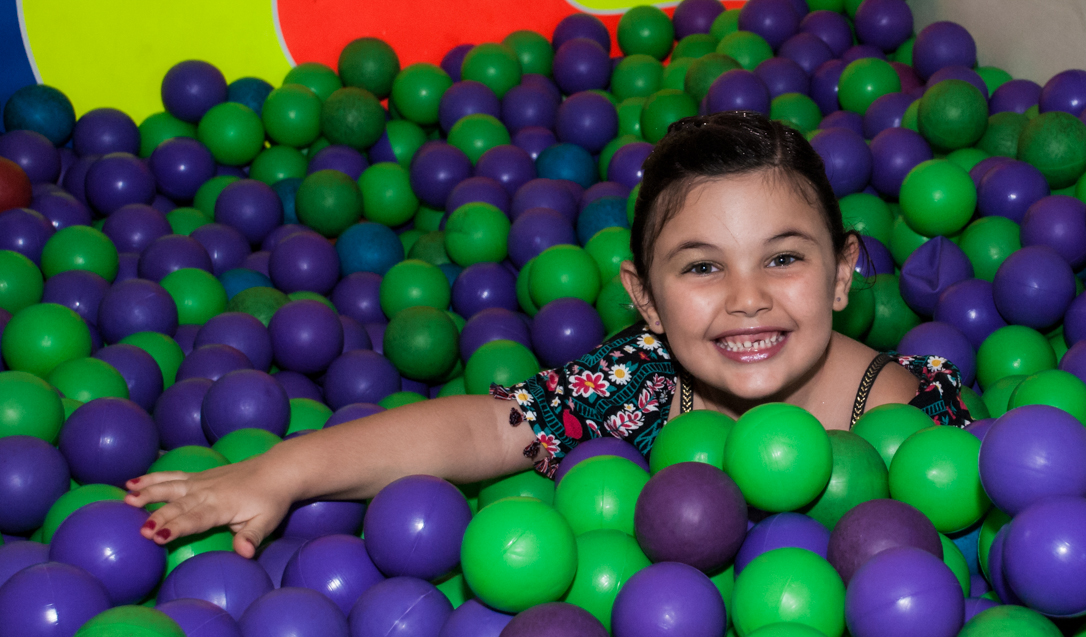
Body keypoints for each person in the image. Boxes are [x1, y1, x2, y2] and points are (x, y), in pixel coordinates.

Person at [126, 110, 971, 558]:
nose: (747, 300)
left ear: (841, 272)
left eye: (782, 258)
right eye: (702, 268)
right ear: (645, 299)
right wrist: (281, 469)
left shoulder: (904, 422)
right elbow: (482, 428)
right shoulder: (636, 381)